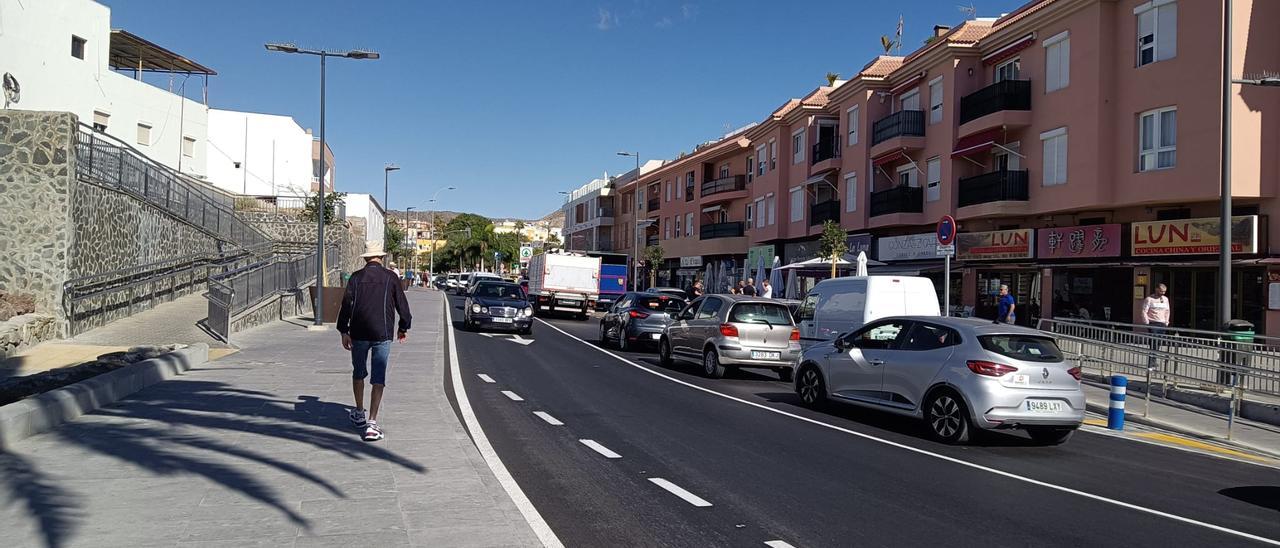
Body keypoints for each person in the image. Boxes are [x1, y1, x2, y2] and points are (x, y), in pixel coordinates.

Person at [337, 242, 412, 442]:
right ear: (381, 257)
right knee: (379, 376)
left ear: (365, 258)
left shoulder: (356, 277)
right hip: (383, 333)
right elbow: (402, 306)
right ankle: (372, 422)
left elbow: (346, 304)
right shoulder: (391, 277)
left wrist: (344, 330)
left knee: (358, 372)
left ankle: (359, 411)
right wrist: (403, 327)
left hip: (358, 332)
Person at [1141, 283, 1171, 370]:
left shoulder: (1165, 299)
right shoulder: (1149, 299)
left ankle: (1154, 361)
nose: (1163, 293)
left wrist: (1166, 322)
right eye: (1161, 291)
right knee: (1153, 343)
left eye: (1164, 291)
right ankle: (1151, 363)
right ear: (1157, 289)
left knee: (1158, 343)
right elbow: (1144, 311)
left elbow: (1167, 311)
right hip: (1153, 323)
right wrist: (1147, 322)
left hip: (1162, 323)